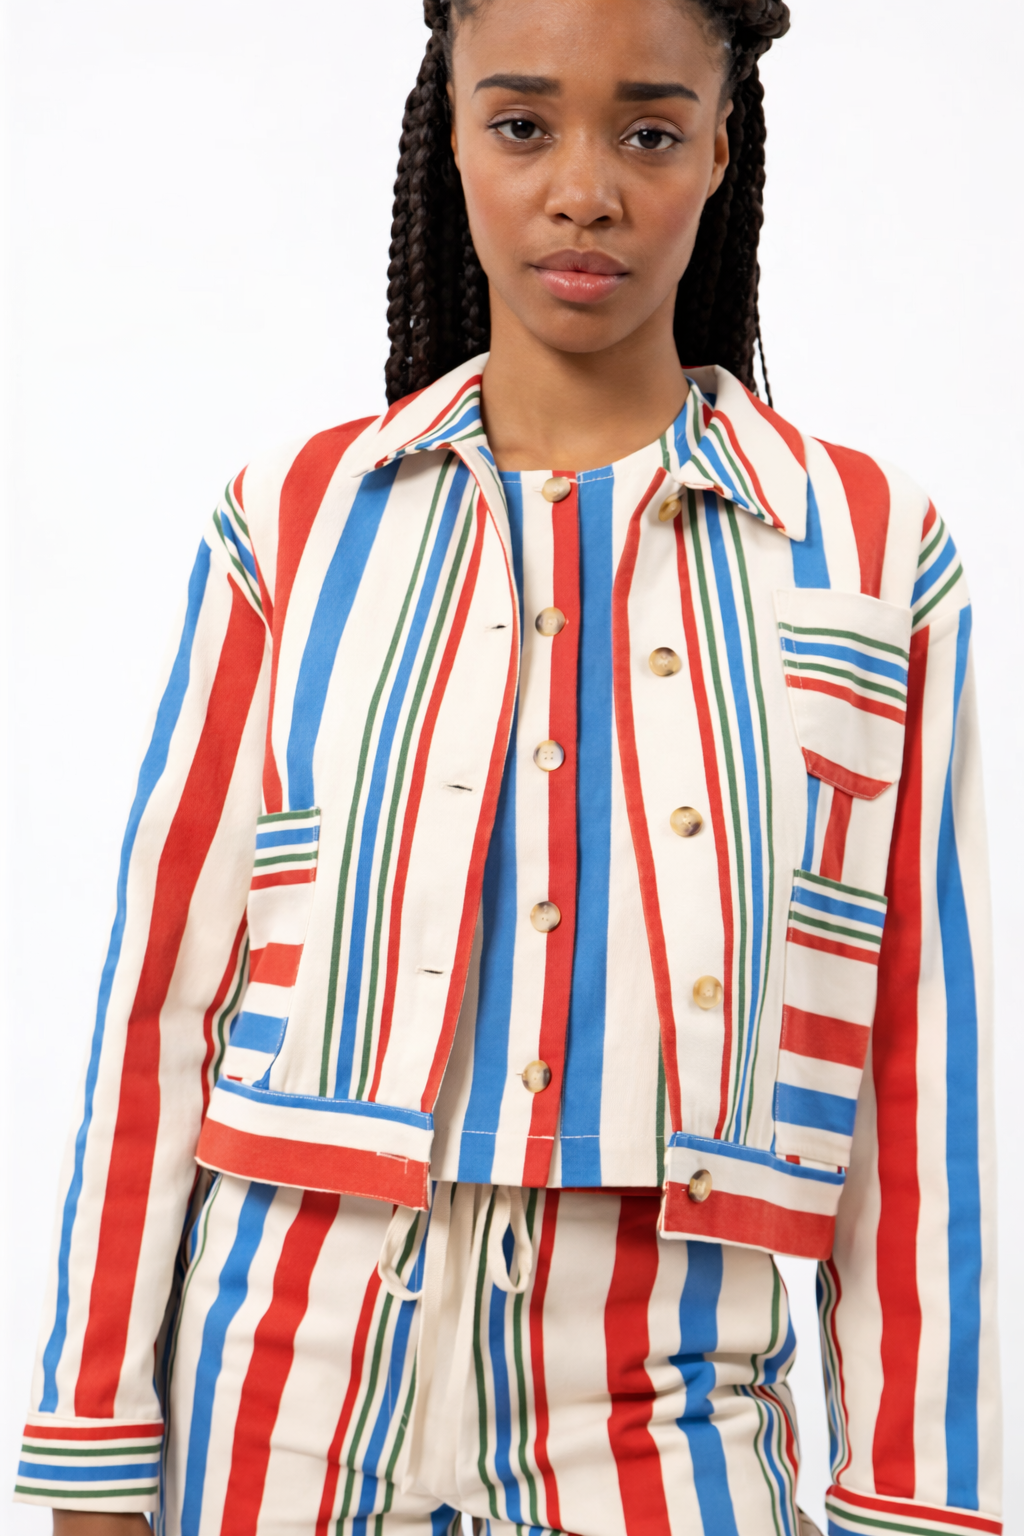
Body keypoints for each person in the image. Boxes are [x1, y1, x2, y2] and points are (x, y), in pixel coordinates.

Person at [15, 1, 1001, 1533]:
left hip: (670, 1389)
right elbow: (159, 1006)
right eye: (524, 125)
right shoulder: (293, 521)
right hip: (277, 1381)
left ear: (721, 152)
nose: (583, 191)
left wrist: (916, 1498)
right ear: (453, 135)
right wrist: (92, 1443)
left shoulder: (869, 551)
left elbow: (915, 1058)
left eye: (650, 132)